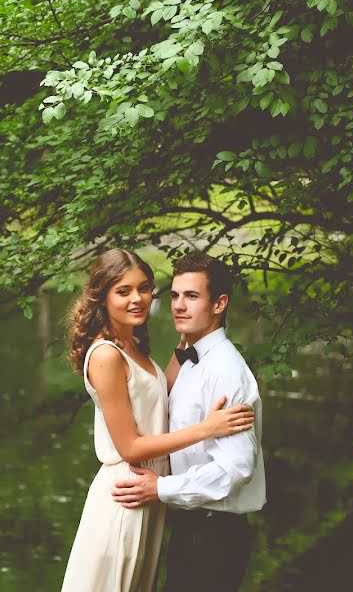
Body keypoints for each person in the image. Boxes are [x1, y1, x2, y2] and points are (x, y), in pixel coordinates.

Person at [61, 249, 254, 592]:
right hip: (129, 490)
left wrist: (185, 348)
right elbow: (131, 446)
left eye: (145, 288)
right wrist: (206, 429)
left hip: (152, 494)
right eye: (123, 291)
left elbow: (155, 397)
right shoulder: (106, 354)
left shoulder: (133, 345)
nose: (138, 299)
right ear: (102, 296)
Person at [111, 252, 266, 591]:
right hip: (191, 526)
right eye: (176, 295)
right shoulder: (191, 358)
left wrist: (160, 487)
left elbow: (236, 468)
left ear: (219, 303)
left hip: (215, 536)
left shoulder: (225, 372)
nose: (179, 305)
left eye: (192, 296)